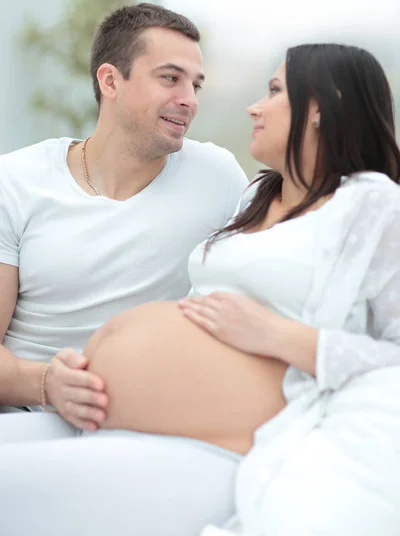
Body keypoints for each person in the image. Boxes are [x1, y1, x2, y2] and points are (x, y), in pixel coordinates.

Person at [1, 43, 400, 536]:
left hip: (228, 440)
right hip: (108, 411)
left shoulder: (376, 207)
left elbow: (393, 356)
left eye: (275, 91)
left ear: (322, 107)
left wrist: (277, 336)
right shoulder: (256, 194)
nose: (255, 106)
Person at [0, 3, 248, 435]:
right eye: (170, 78)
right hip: (29, 421)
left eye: (196, 84)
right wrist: (48, 384)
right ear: (111, 80)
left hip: (147, 424)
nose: (189, 99)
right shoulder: (16, 181)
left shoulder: (219, 177)